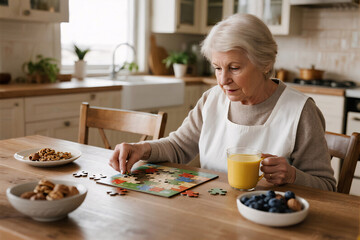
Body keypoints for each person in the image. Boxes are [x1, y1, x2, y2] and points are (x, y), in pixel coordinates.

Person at [109, 14, 336, 191]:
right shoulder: (211, 99)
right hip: (211, 212)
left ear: (265, 63)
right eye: (218, 68)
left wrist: (293, 176)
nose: (223, 80)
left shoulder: (301, 111)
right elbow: (179, 147)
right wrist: (142, 149)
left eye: (234, 68)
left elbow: (327, 186)